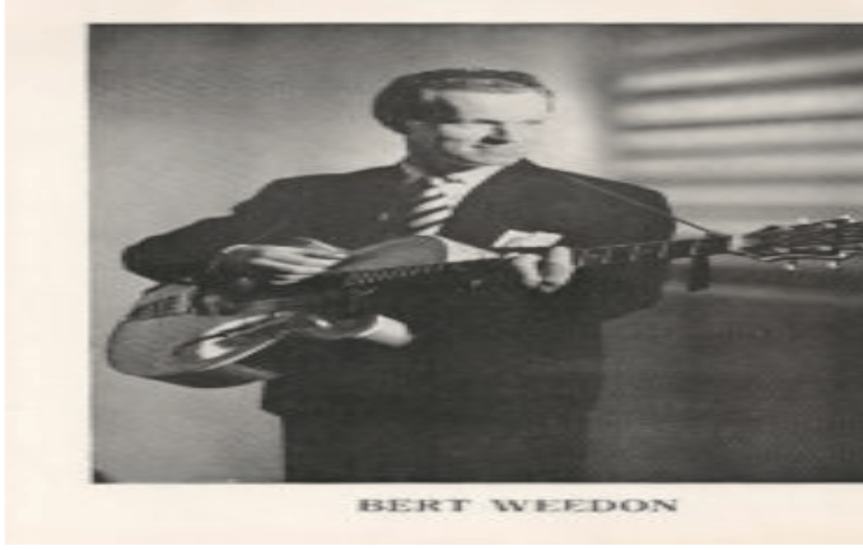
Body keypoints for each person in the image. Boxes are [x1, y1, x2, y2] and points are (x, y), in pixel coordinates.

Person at [122, 68, 675, 482]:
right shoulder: (310, 194)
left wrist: (562, 282)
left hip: (506, 411)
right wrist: (236, 256)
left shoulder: (614, 203)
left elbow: (631, 289)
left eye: (529, 123)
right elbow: (152, 253)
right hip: (336, 407)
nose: (508, 138)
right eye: (479, 121)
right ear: (408, 122)